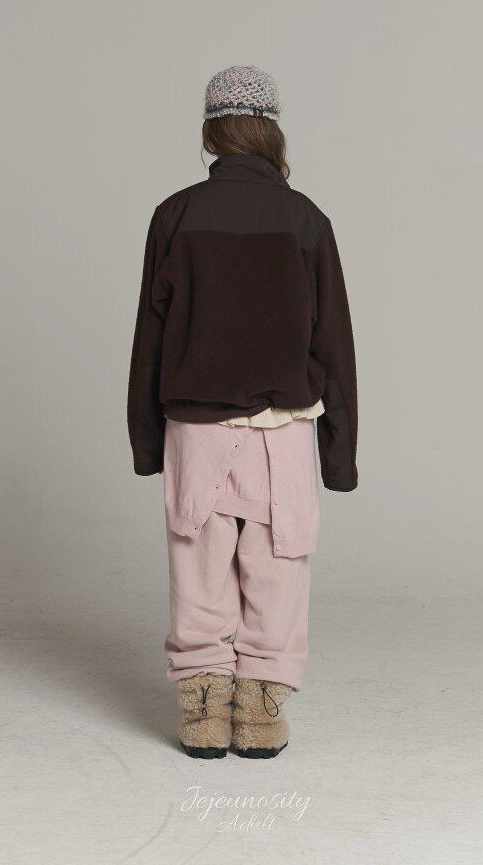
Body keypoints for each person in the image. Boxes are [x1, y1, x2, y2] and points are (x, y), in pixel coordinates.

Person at [127, 65, 358, 759]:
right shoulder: (306, 220)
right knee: (278, 569)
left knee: (198, 566)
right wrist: (339, 455)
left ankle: (202, 713)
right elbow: (333, 342)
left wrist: (146, 440)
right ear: (271, 131)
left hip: (195, 429)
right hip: (281, 432)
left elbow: (150, 340)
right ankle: (259, 714)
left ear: (211, 132)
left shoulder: (175, 216)